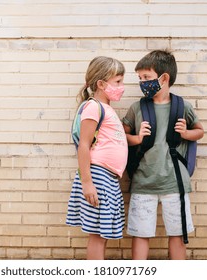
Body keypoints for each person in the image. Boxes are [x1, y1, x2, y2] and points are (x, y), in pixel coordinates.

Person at [123, 50, 204, 260]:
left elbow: (200, 131)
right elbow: (121, 135)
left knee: (177, 234)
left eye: (146, 77)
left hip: (175, 183)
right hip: (143, 181)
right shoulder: (137, 108)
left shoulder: (182, 106)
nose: (142, 83)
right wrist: (137, 138)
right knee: (141, 234)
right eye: (140, 78)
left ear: (164, 78)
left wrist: (186, 133)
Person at [66, 56, 128, 260]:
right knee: (98, 236)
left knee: (103, 234)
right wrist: (87, 183)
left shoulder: (107, 109)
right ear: (101, 84)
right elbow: (83, 145)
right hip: (98, 176)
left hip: (108, 178)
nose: (122, 86)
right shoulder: (94, 107)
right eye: (118, 81)